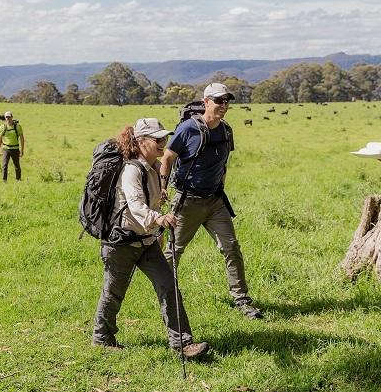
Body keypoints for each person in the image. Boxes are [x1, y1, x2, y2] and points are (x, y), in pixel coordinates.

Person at [92, 118, 209, 358]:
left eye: (164, 138)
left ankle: (183, 345)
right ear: (141, 142)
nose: (162, 143)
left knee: (169, 287)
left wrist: (158, 224)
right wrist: (158, 219)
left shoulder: (154, 168)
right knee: (114, 292)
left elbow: (151, 200)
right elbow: (136, 206)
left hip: (147, 242)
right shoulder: (131, 170)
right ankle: (102, 337)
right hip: (121, 244)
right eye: (157, 139)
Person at [160, 83, 263, 319]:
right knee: (173, 251)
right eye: (219, 101)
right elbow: (167, 158)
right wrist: (162, 187)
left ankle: (241, 299)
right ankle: (166, 295)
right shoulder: (188, 129)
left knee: (231, 248)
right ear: (206, 102)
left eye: (227, 101)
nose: (224, 106)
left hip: (216, 201)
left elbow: (224, 163)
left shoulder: (226, 130)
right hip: (188, 202)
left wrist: (220, 186)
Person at [0, 111, 25, 182]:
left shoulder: (17, 127)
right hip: (6, 149)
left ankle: (18, 180)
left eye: (9, 117)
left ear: (12, 117)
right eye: (6, 117)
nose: (8, 118)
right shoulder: (2, 127)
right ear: (5, 118)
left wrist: (22, 150)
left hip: (15, 148)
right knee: (4, 165)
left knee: (17, 166)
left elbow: (22, 139)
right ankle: (4, 181)